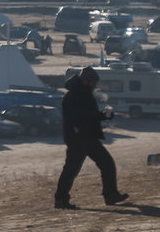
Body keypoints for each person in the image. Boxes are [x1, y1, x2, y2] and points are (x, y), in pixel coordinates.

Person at [54, 67, 128, 209]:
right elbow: (81, 117)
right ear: (87, 81)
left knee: (105, 164)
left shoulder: (82, 93)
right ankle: (61, 199)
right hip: (79, 138)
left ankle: (110, 194)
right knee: (72, 170)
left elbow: (88, 115)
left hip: (86, 137)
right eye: (94, 83)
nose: (95, 86)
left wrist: (104, 115)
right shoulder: (74, 96)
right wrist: (101, 115)